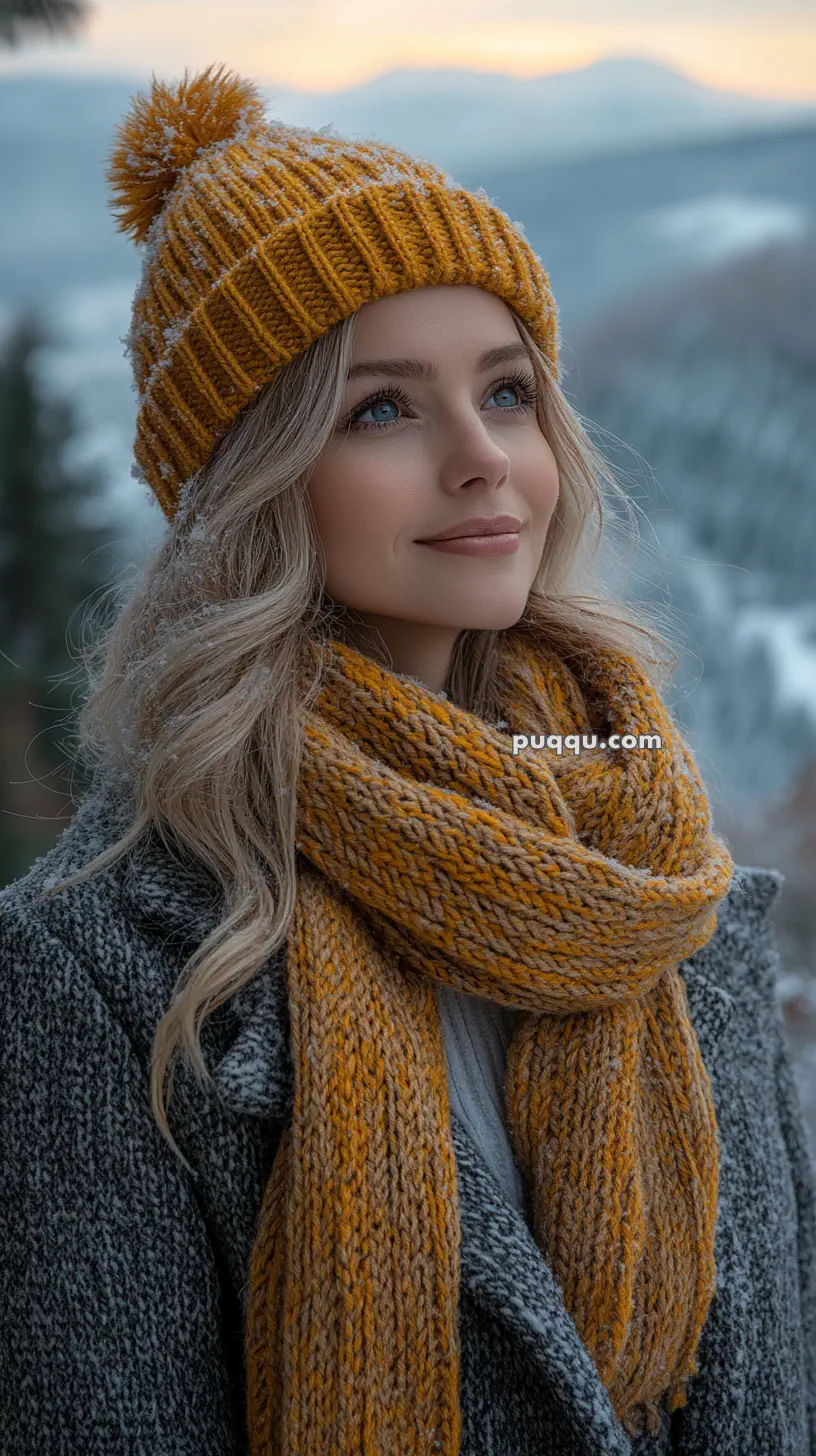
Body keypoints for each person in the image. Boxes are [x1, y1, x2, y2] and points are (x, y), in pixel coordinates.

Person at [1, 61, 813, 1456]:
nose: (482, 458)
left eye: (507, 393)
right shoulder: (92, 976)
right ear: (252, 483)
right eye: (382, 410)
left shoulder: (664, 878)